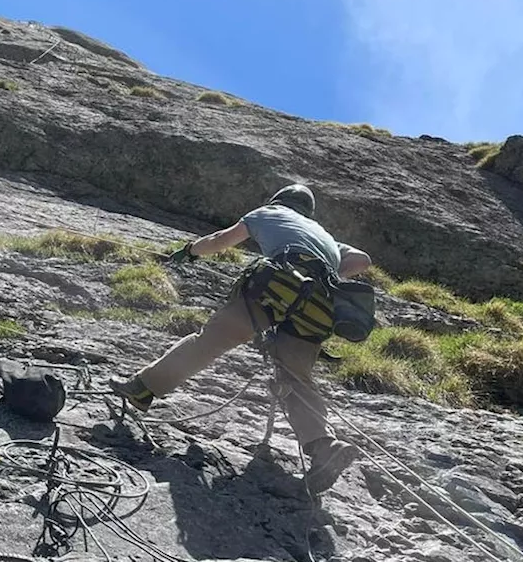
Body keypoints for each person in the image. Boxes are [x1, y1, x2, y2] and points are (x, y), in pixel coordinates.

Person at [108, 183, 373, 495]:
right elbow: (363, 259)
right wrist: (326, 270)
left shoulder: (269, 212)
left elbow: (223, 240)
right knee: (296, 377)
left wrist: (191, 251)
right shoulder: (323, 234)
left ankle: (143, 388)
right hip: (320, 306)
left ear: (279, 201)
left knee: (212, 340)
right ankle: (323, 445)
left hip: (278, 286)